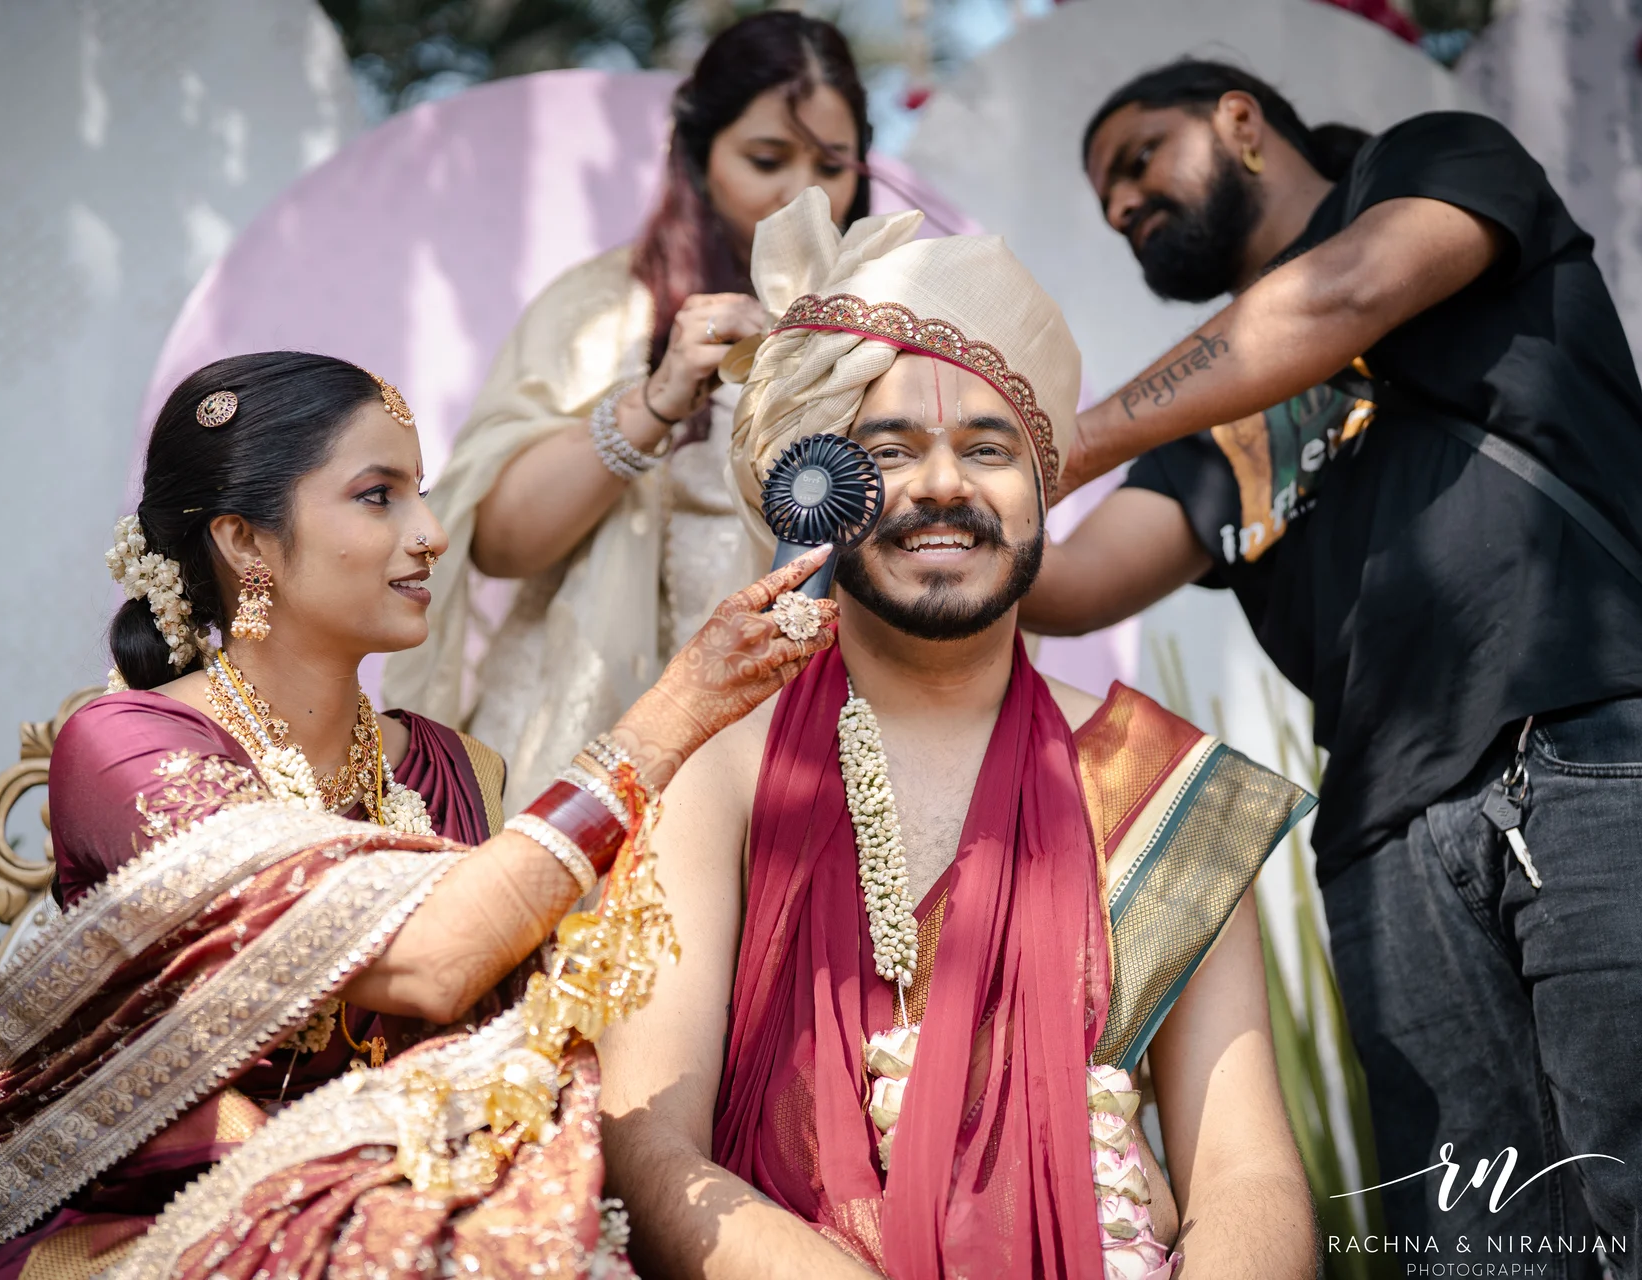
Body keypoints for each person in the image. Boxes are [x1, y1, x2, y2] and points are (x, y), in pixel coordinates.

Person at [0, 352, 839, 1280]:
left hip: (398, 1214)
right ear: (245, 541)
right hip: (144, 1233)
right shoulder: (127, 748)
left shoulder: (449, 768)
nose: (434, 534)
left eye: (422, 494)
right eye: (378, 497)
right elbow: (430, 965)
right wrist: (672, 718)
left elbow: (500, 1059)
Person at [598, 189, 1317, 1279]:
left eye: (989, 446)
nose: (942, 483)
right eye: (887, 450)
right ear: (815, 493)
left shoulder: (1161, 780)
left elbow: (1246, 1175)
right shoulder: (718, 760)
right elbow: (648, 1137)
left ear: (1041, 488)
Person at [1024, 59, 1642, 1269]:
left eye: (1139, 157)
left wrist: (1069, 439)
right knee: (1480, 1247)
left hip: (1587, 740)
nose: (1121, 205)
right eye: (1106, 197)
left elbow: (1347, 292)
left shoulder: (1431, 162)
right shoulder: (1210, 427)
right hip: (1383, 848)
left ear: (1241, 122)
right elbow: (1069, 580)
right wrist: (929, 486)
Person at [382, 11, 873, 805]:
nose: (802, 195)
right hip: (585, 747)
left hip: (805, 758)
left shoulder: (890, 327)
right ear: (696, 155)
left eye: (834, 164)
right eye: (766, 159)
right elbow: (497, 542)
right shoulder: (602, 308)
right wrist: (655, 402)